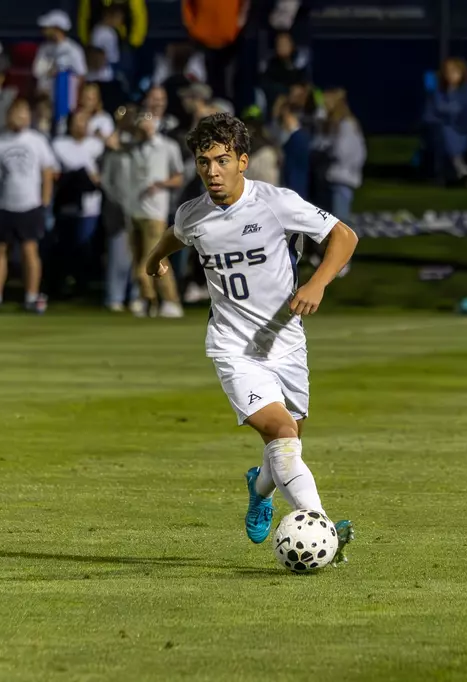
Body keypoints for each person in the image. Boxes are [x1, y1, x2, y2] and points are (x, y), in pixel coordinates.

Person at [141, 113, 359, 559]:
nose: (212, 172)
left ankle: (259, 489)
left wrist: (316, 284)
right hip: (234, 346)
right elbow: (175, 235)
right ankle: (322, 531)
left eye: (222, 161)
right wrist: (154, 259)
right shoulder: (194, 212)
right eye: (203, 162)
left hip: (287, 342)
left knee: (287, 446)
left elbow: (344, 236)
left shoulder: (277, 203)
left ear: (243, 161)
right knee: (282, 434)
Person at [0, 99, 57, 313]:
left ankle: (31, 296)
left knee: (30, 249)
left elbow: (47, 172)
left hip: (29, 204)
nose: (21, 117)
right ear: (8, 115)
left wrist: (44, 201)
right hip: (2, 203)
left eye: (25, 113)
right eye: (17, 113)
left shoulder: (37, 141)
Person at [128, 111, 184, 318]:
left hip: (155, 210)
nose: (145, 124)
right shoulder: (134, 148)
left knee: (154, 257)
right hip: (134, 209)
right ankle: (148, 300)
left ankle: (170, 300)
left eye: (148, 120)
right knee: (137, 257)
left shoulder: (168, 146)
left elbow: (178, 177)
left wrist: (160, 184)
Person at [50, 109, 105, 298]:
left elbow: (101, 175)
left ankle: (83, 286)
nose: (81, 125)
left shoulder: (96, 145)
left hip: (90, 206)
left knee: (85, 246)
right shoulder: (59, 145)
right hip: (66, 204)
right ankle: (62, 284)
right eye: (77, 121)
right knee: (64, 247)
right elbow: (55, 174)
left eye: (85, 121)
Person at [99, 104, 139, 312]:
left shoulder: (140, 151)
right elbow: (106, 182)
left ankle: (136, 296)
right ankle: (114, 296)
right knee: (118, 257)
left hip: (140, 210)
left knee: (138, 257)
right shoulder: (114, 153)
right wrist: (119, 203)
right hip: (117, 211)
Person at [422, 56, 467, 183]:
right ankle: (457, 163)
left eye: (455, 72)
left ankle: (457, 162)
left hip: (462, 132)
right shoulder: (435, 94)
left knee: (448, 132)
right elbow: (429, 116)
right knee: (443, 131)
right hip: (439, 133)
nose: (450, 75)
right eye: (448, 72)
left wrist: (452, 121)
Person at [322, 88, 365, 224]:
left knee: (340, 221)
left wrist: (328, 150)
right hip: (343, 175)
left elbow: (342, 151)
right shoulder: (344, 124)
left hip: (343, 176)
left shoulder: (346, 125)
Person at [33, 10, 87, 97]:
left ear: (57, 29)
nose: (44, 30)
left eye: (47, 27)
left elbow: (81, 75)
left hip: (64, 98)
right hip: (44, 97)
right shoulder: (44, 48)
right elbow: (36, 71)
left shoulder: (73, 49)